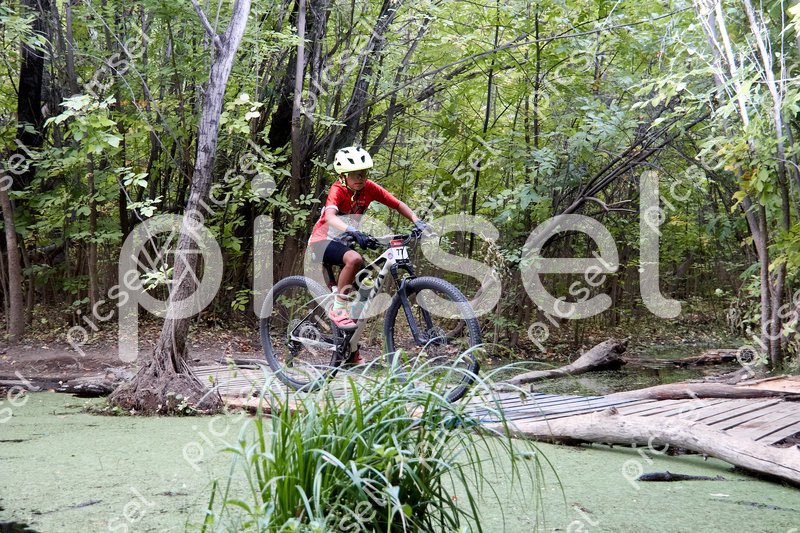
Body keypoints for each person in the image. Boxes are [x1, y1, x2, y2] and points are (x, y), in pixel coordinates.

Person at [308, 146, 427, 337]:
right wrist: (353, 230)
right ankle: (338, 308)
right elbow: (330, 217)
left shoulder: (369, 188)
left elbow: (397, 204)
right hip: (321, 241)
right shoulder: (337, 189)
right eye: (354, 174)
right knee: (354, 259)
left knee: (366, 290)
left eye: (363, 173)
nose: (360, 178)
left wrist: (417, 221)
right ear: (343, 176)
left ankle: (349, 345)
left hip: (344, 243)